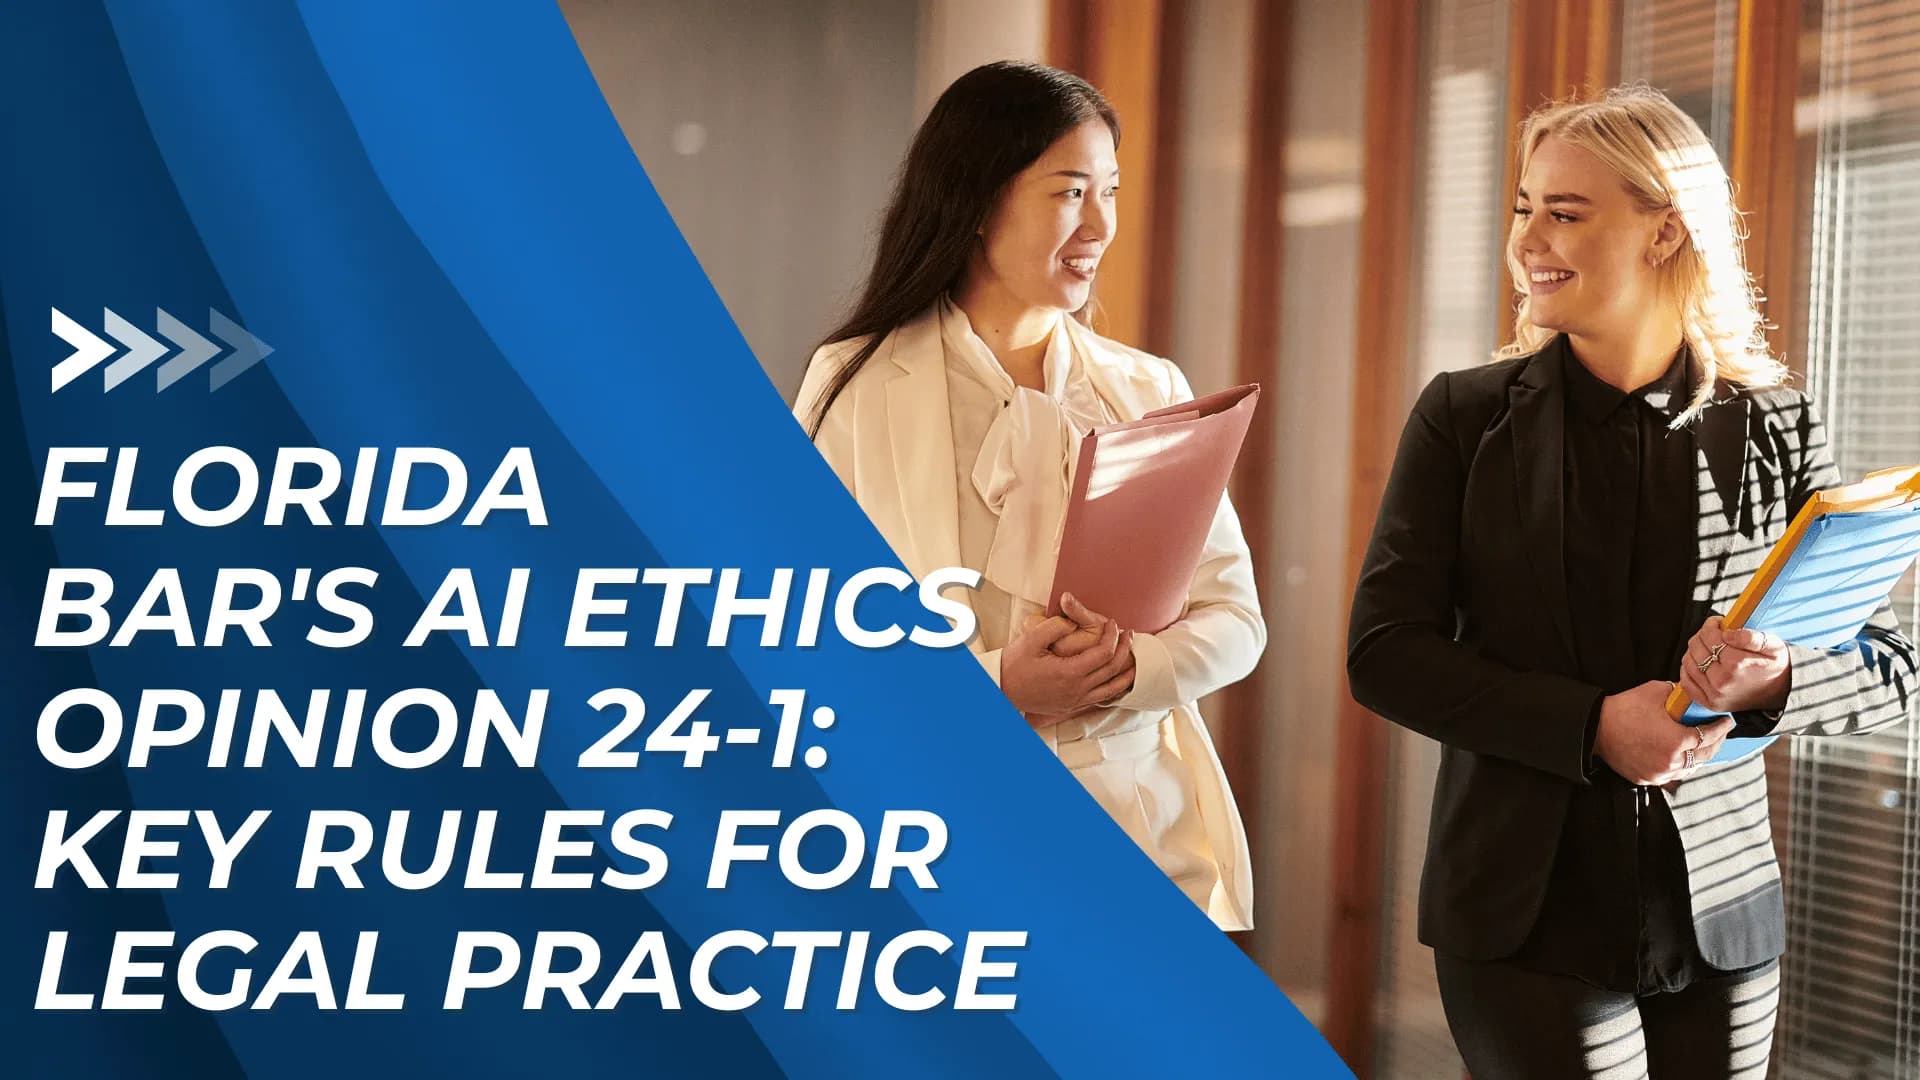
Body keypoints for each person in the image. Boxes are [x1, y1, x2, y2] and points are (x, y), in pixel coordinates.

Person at [1347, 85, 1915, 1078]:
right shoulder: (1463, 419)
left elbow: (1894, 664)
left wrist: (1772, 686)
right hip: (1522, 916)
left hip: (1722, 920)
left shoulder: (1776, 426)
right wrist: (1588, 725)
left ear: (1664, 231)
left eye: (1564, 212)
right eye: (1525, 207)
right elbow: (1384, 656)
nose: (1530, 239)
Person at [792, 61, 1263, 930]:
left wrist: (1130, 668)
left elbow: (1235, 620)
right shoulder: (850, 385)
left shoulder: (1149, 387)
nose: (1099, 224)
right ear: (976, 200)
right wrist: (1002, 682)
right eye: (1069, 191)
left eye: (1110, 191)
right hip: (942, 835)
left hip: (1139, 841)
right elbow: (811, 638)